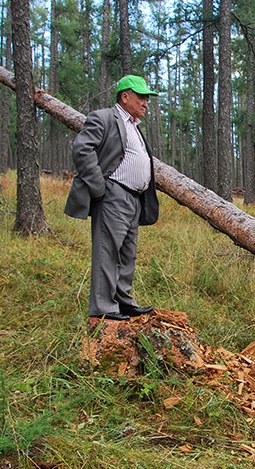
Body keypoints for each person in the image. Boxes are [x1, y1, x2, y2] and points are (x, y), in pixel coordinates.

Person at [65, 75, 160, 321]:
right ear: (125, 96)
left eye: (147, 99)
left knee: (127, 253)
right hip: (113, 194)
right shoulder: (105, 117)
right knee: (107, 251)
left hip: (133, 198)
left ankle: (123, 301)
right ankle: (103, 307)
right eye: (141, 97)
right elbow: (82, 148)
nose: (146, 103)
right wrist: (100, 188)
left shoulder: (134, 126)